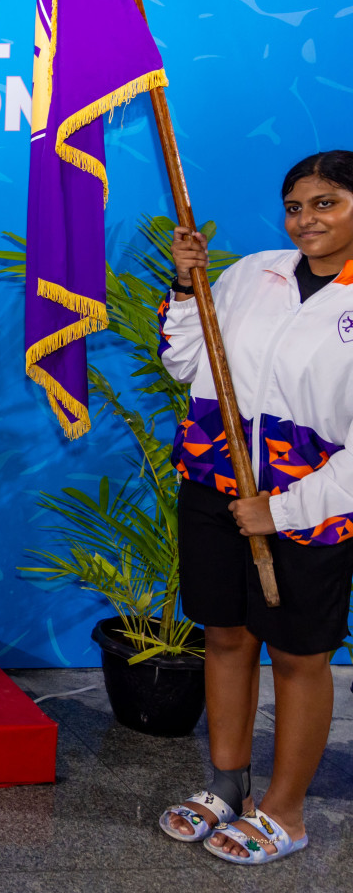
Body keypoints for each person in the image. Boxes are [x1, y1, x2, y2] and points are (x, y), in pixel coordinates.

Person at [158, 150, 353, 865]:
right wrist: (188, 287)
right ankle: (226, 786)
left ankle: (285, 811)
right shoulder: (251, 273)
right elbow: (185, 363)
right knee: (226, 636)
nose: (306, 220)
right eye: (296, 206)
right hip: (215, 487)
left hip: (313, 507)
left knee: (300, 657)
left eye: (326, 203)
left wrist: (287, 508)